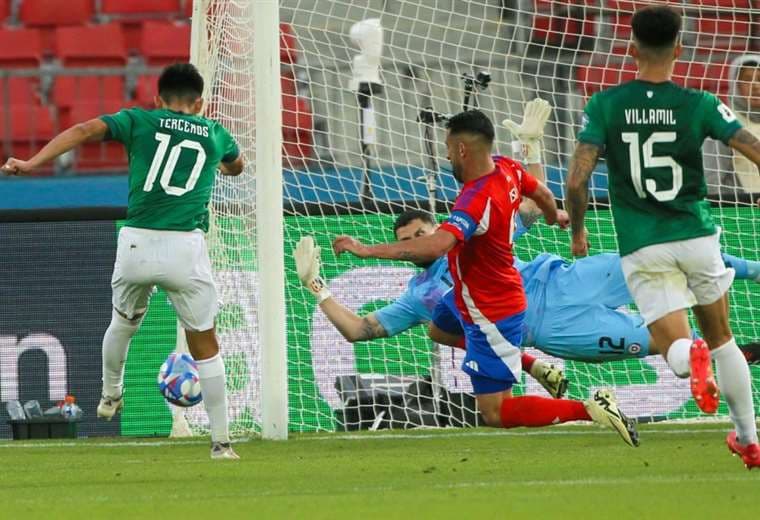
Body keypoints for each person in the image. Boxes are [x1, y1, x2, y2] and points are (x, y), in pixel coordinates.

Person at [332, 106, 639, 446]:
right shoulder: (507, 169)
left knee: (494, 411)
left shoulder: (473, 201)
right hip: (468, 297)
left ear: (461, 149)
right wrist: (555, 216)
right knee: (438, 326)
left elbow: (437, 247)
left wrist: (365, 249)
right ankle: (533, 366)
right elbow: (540, 194)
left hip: (490, 310)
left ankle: (589, 408)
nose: (447, 157)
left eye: (448, 149)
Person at [1, 63, 244, 460]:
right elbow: (237, 166)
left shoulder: (138, 120)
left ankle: (111, 393)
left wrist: (31, 163)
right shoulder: (216, 134)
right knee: (205, 345)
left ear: (157, 99)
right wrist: (221, 162)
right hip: (186, 248)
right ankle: (221, 443)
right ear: (199, 103)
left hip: (137, 243)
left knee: (123, 323)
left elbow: (82, 131)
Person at [565, 6, 760, 468]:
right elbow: (752, 146)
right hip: (696, 235)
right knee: (724, 340)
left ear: (630, 48)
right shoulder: (700, 103)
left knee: (673, 344)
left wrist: (577, 229)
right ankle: (749, 441)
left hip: (643, 241)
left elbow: (576, 180)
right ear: (680, 47)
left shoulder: (605, 105)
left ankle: (686, 353)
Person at [294, 210, 569, 399]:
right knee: (496, 412)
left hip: (555, 299)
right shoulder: (419, 295)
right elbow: (358, 330)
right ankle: (578, 404)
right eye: (406, 242)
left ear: (437, 228)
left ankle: (533, 366)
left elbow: (527, 211)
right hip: (530, 332)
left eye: (421, 234)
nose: (416, 243)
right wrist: (316, 287)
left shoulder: (468, 241)